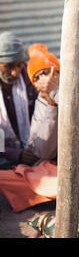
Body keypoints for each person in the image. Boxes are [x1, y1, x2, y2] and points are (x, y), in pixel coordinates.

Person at [0, 45, 79, 212]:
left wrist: (58, 93)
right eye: (37, 78)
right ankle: (60, 196)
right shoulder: (42, 102)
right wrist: (51, 105)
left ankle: (54, 198)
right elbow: (43, 152)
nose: (43, 80)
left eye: (46, 73)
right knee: (4, 178)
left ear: (58, 72)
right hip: (56, 170)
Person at [0, 32, 39, 169]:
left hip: (31, 151)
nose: (15, 72)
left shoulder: (31, 79)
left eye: (18, 65)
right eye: (9, 66)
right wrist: (15, 154)